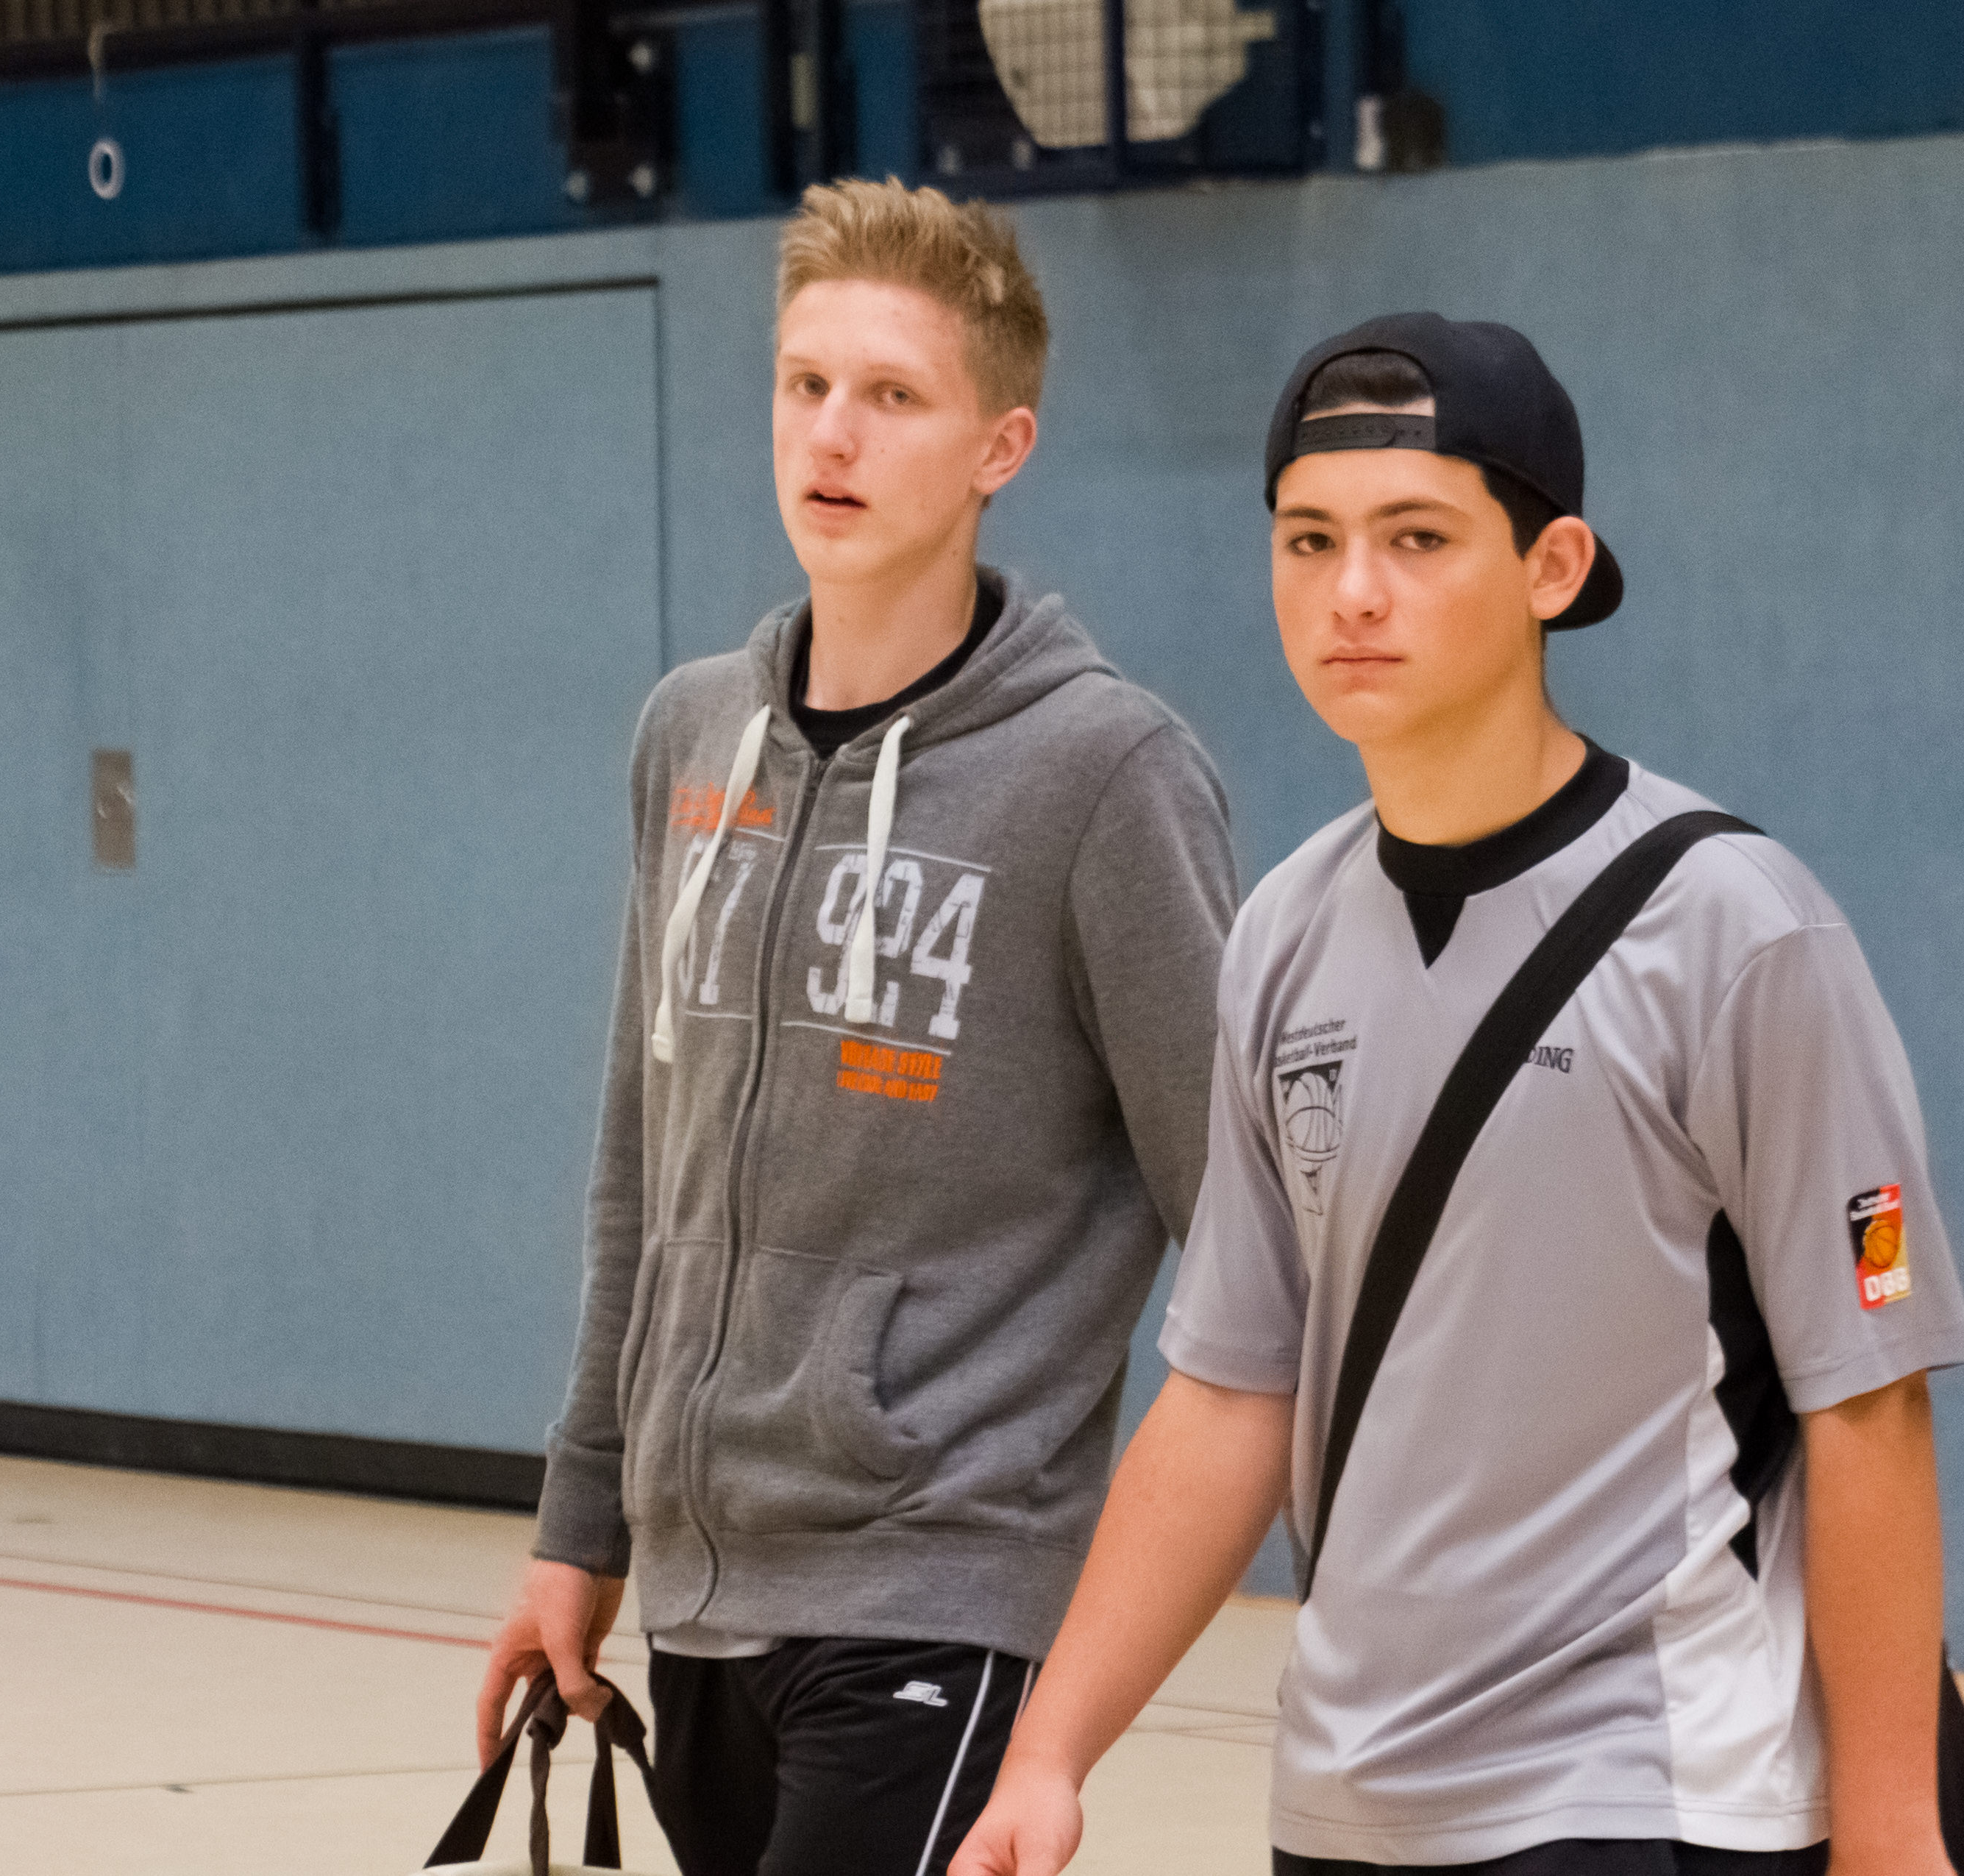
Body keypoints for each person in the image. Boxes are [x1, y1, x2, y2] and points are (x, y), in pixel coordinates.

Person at [950, 314, 1964, 1876]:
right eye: (1309, 539)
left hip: (1652, 1797)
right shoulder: (1282, 933)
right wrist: (1050, 1752)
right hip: (1347, 1802)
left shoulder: (1737, 931)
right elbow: (1229, 1393)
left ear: (1553, 567)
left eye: (1416, 538)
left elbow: (1868, 1398)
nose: (1351, 592)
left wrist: (1894, 1834)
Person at [477, 177, 1237, 1876]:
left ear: (997, 446)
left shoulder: (1102, 774)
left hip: (938, 1590)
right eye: (804, 383)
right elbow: (640, 1172)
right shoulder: (691, 735)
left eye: (891, 394)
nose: (832, 432)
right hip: (698, 1598)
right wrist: (579, 1521)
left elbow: (1250, 1237)